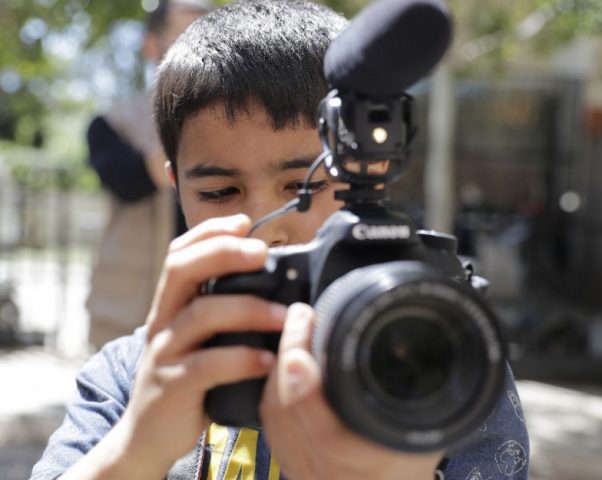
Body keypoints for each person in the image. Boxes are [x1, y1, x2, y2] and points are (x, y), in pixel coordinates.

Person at [31, 1, 530, 479]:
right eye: (220, 191)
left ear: (370, 175)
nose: (265, 225)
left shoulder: (446, 356)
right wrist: (140, 446)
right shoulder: (130, 375)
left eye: (304, 186)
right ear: (176, 186)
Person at [85, 0, 210, 349]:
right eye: (182, 36)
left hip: (211, 307)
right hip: (126, 315)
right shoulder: (111, 124)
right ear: (151, 45)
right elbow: (129, 182)